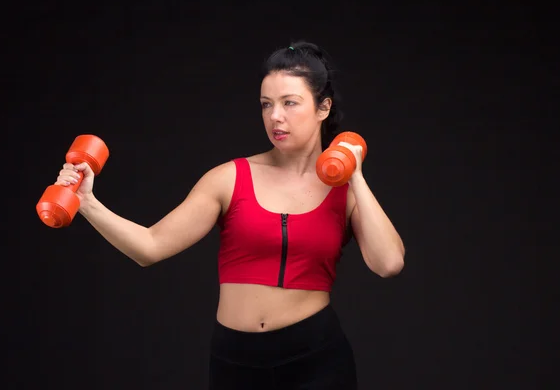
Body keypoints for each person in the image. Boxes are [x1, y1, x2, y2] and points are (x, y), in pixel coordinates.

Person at [54, 41, 405, 389]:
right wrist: (88, 203)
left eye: (290, 103)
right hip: (236, 363)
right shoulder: (228, 178)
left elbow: (388, 263)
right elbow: (150, 246)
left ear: (323, 107)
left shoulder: (344, 192)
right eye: (266, 105)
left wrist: (354, 173)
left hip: (315, 359)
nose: (275, 116)